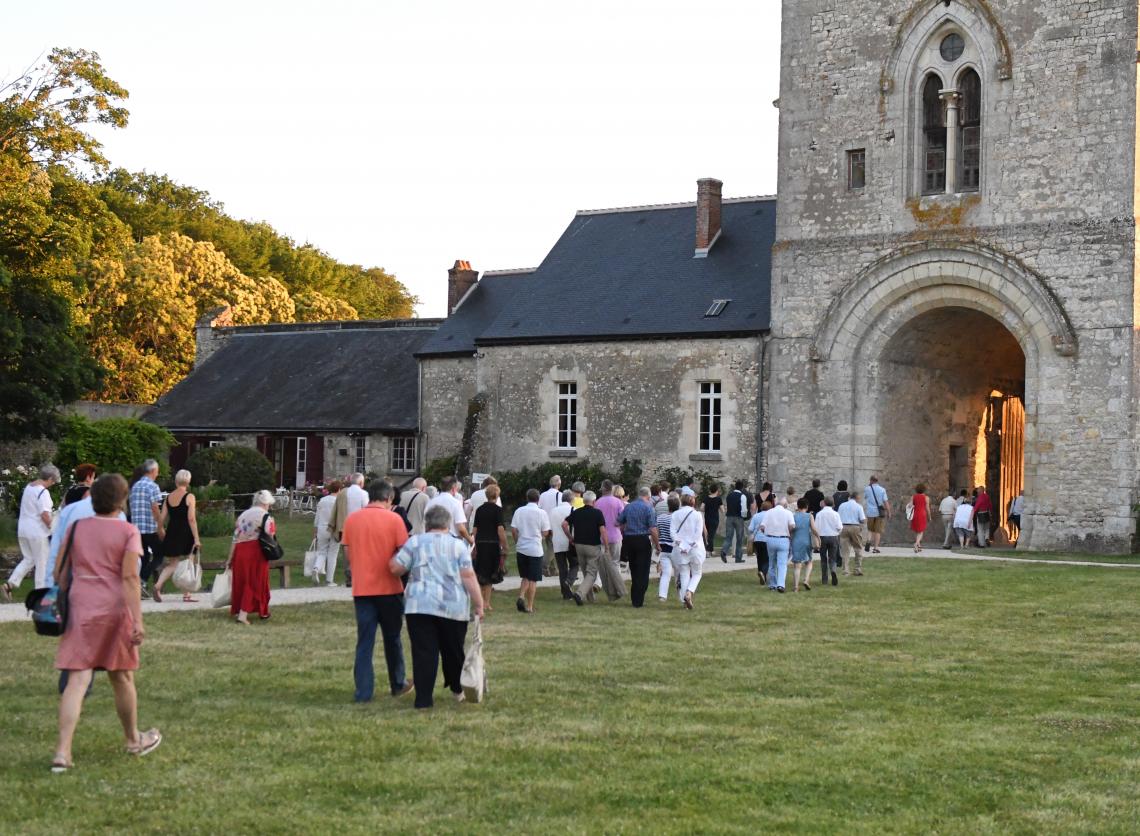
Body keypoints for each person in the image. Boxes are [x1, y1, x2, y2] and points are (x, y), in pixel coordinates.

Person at [52, 473, 161, 773]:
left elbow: (59, 575)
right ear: (121, 500)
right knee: (122, 677)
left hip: (80, 607)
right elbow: (128, 578)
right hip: (114, 609)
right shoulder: (128, 531)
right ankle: (133, 740)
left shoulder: (76, 528)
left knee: (77, 680)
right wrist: (137, 620)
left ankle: (62, 752)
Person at [390, 505, 484, 709]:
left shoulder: (414, 542)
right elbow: (468, 576)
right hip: (453, 606)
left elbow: (397, 568)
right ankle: (458, 689)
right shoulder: (458, 546)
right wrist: (479, 603)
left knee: (424, 652)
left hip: (419, 605)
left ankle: (423, 699)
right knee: (453, 649)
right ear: (447, 523)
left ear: (426, 523)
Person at [341, 481, 412, 702]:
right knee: (393, 638)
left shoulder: (353, 519)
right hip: (389, 588)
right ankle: (397, 682)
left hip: (362, 589)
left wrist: (355, 571)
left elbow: (347, 551)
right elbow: (404, 554)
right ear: (389, 498)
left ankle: (363, 691)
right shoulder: (394, 519)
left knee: (364, 641)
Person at [2, 463, 60, 602]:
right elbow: (45, 515)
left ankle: (9, 584)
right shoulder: (43, 492)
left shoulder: (29, 487)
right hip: (38, 532)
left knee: (29, 559)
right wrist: (53, 527)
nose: (53, 484)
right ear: (50, 478)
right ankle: (41, 596)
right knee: (42, 563)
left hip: (23, 530)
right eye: (54, 481)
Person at [225, 490, 276, 624]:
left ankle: (262, 611)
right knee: (255, 581)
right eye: (269, 504)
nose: (269, 507)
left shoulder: (242, 515)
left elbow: (235, 538)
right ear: (265, 503)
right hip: (255, 551)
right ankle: (243, 614)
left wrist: (229, 559)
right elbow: (270, 535)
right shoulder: (265, 516)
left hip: (240, 551)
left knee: (243, 581)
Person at [152, 470, 201, 603]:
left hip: (173, 532)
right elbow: (191, 519)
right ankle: (187, 594)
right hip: (186, 532)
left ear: (176, 481)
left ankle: (157, 586)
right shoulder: (190, 496)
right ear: (188, 481)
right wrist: (196, 538)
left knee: (173, 564)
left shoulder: (168, 498)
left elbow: (162, 517)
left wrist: (160, 530)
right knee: (189, 561)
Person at [563, 491, 613, 605]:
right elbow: (603, 531)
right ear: (594, 501)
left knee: (586, 572)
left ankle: (590, 598)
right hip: (592, 546)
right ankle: (579, 594)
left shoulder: (577, 512)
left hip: (579, 546)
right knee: (592, 573)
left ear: (584, 500)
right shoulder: (597, 513)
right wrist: (606, 547)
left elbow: (564, 524)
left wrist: (570, 538)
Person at [510, 488, 550, 614]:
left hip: (521, 548)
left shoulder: (519, 511)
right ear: (538, 499)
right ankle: (530, 606)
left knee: (525, 576)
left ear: (527, 498)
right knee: (533, 579)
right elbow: (545, 532)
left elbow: (513, 530)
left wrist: (517, 541)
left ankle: (521, 596)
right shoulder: (542, 513)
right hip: (535, 549)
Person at [128, 459, 164, 598]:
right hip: (150, 528)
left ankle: (139, 585)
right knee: (159, 554)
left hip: (137, 528)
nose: (158, 473)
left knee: (143, 557)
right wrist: (160, 527)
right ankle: (142, 581)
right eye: (157, 470)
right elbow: (155, 508)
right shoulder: (153, 486)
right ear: (153, 471)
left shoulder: (135, 486)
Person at [470, 484, 508, 612]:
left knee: (480, 572)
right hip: (492, 543)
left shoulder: (480, 509)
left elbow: (475, 529)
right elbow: (500, 529)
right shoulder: (498, 510)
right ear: (496, 496)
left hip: (480, 542)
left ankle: (480, 602)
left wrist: (473, 544)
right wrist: (505, 545)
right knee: (491, 572)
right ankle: (486, 603)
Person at [618, 486, 657, 608]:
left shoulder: (629, 506)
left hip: (629, 540)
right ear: (648, 496)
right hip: (642, 539)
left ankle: (635, 598)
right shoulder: (648, 508)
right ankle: (639, 599)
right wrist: (657, 544)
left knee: (634, 569)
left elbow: (619, 521)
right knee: (644, 570)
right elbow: (652, 528)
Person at [670, 494, 706, 609]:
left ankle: (684, 601)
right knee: (697, 573)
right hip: (695, 548)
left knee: (684, 574)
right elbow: (698, 533)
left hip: (680, 549)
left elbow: (673, 532)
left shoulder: (675, 514)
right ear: (692, 502)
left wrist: (681, 544)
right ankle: (689, 592)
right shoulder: (697, 515)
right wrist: (689, 545)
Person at [594, 481, 625, 595]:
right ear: (612, 489)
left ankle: (598, 583)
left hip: (601, 536)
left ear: (602, 489)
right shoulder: (618, 502)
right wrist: (617, 524)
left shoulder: (597, 502)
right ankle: (618, 586)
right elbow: (622, 518)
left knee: (600, 562)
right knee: (615, 562)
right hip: (615, 535)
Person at [761, 497, 796, 593]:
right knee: (782, 564)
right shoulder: (788, 513)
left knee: (772, 563)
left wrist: (766, 533)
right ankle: (781, 585)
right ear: (785, 505)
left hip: (770, 538)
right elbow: (792, 526)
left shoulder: (769, 512)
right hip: (783, 539)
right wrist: (788, 532)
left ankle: (773, 584)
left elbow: (762, 526)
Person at [547, 489, 576, 600]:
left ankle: (565, 593)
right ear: (571, 499)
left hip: (557, 541)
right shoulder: (574, 509)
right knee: (574, 564)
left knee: (562, 568)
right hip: (570, 541)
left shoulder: (553, 511)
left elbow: (550, 528)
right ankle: (568, 583)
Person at [425, 476, 472, 544]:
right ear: (453, 488)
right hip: (451, 539)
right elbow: (461, 528)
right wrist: (470, 540)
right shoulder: (455, 503)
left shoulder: (431, 502)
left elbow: (425, 522)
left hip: (432, 539)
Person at [312, 480, 342, 586]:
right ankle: (329, 580)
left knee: (322, 552)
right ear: (339, 489)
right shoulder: (339, 501)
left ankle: (316, 567)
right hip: (334, 529)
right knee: (332, 554)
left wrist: (315, 531)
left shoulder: (322, 500)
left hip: (321, 528)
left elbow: (317, 517)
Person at [720, 480, 751, 564]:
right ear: (742, 487)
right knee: (739, 538)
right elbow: (744, 510)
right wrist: (744, 517)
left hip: (729, 517)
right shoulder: (742, 496)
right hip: (738, 518)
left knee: (728, 537)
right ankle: (738, 558)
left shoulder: (729, 495)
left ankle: (724, 551)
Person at [656, 494, 678, 602]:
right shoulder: (677, 518)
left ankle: (662, 596)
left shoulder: (660, 518)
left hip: (663, 549)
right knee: (679, 573)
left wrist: (657, 546)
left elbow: (658, 533)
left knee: (666, 574)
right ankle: (682, 595)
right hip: (675, 549)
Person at [838, 491, 867, 576]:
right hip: (855, 527)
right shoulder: (858, 506)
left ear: (849, 497)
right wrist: (864, 521)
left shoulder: (842, 505)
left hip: (843, 527)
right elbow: (862, 519)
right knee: (858, 548)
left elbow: (838, 517)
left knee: (845, 550)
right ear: (857, 498)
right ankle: (857, 569)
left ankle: (845, 570)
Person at [815, 497, 842, 586]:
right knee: (833, 557)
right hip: (833, 537)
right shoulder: (835, 514)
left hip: (822, 537)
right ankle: (833, 571)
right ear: (833, 503)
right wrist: (836, 533)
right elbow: (840, 527)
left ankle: (825, 580)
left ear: (824, 503)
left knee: (823, 558)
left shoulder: (819, 514)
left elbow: (816, 528)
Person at [790, 498, 815, 591]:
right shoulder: (810, 516)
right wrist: (818, 537)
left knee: (797, 565)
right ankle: (806, 579)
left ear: (798, 506)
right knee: (809, 561)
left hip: (796, 541)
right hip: (806, 541)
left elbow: (791, 529)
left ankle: (796, 587)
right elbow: (813, 528)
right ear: (807, 507)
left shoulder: (794, 516)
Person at [863, 476, 890, 554]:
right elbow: (885, 502)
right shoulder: (882, 490)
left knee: (870, 529)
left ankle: (868, 541)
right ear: (877, 481)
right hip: (879, 513)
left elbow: (865, 497)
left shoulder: (867, 489)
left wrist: (869, 486)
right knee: (878, 531)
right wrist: (889, 512)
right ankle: (875, 548)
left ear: (871, 480)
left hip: (870, 512)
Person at [748, 500, 770, 585]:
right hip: (767, 539)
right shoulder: (770, 516)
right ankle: (763, 573)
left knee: (759, 558)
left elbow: (750, 528)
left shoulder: (756, 516)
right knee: (767, 559)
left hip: (757, 540)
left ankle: (760, 572)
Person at [909, 483, 930, 552]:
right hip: (922, 515)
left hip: (915, 514)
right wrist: (929, 516)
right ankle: (916, 543)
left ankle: (919, 546)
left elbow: (910, 506)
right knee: (921, 531)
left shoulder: (913, 497)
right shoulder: (926, 498)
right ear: (924, 490)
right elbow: (927, 508)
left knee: (917, 530)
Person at [702, 485, 722, 552]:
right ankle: (710, 550)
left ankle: (707, 548)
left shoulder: (706, 498)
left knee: (706, 534)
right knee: (711, 535)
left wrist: (707, 509)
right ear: (716, 491)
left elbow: (702, 508)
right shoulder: (719, 499)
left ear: (710, 490)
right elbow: (722, 510)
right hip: (715, 519)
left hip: (707, 518)